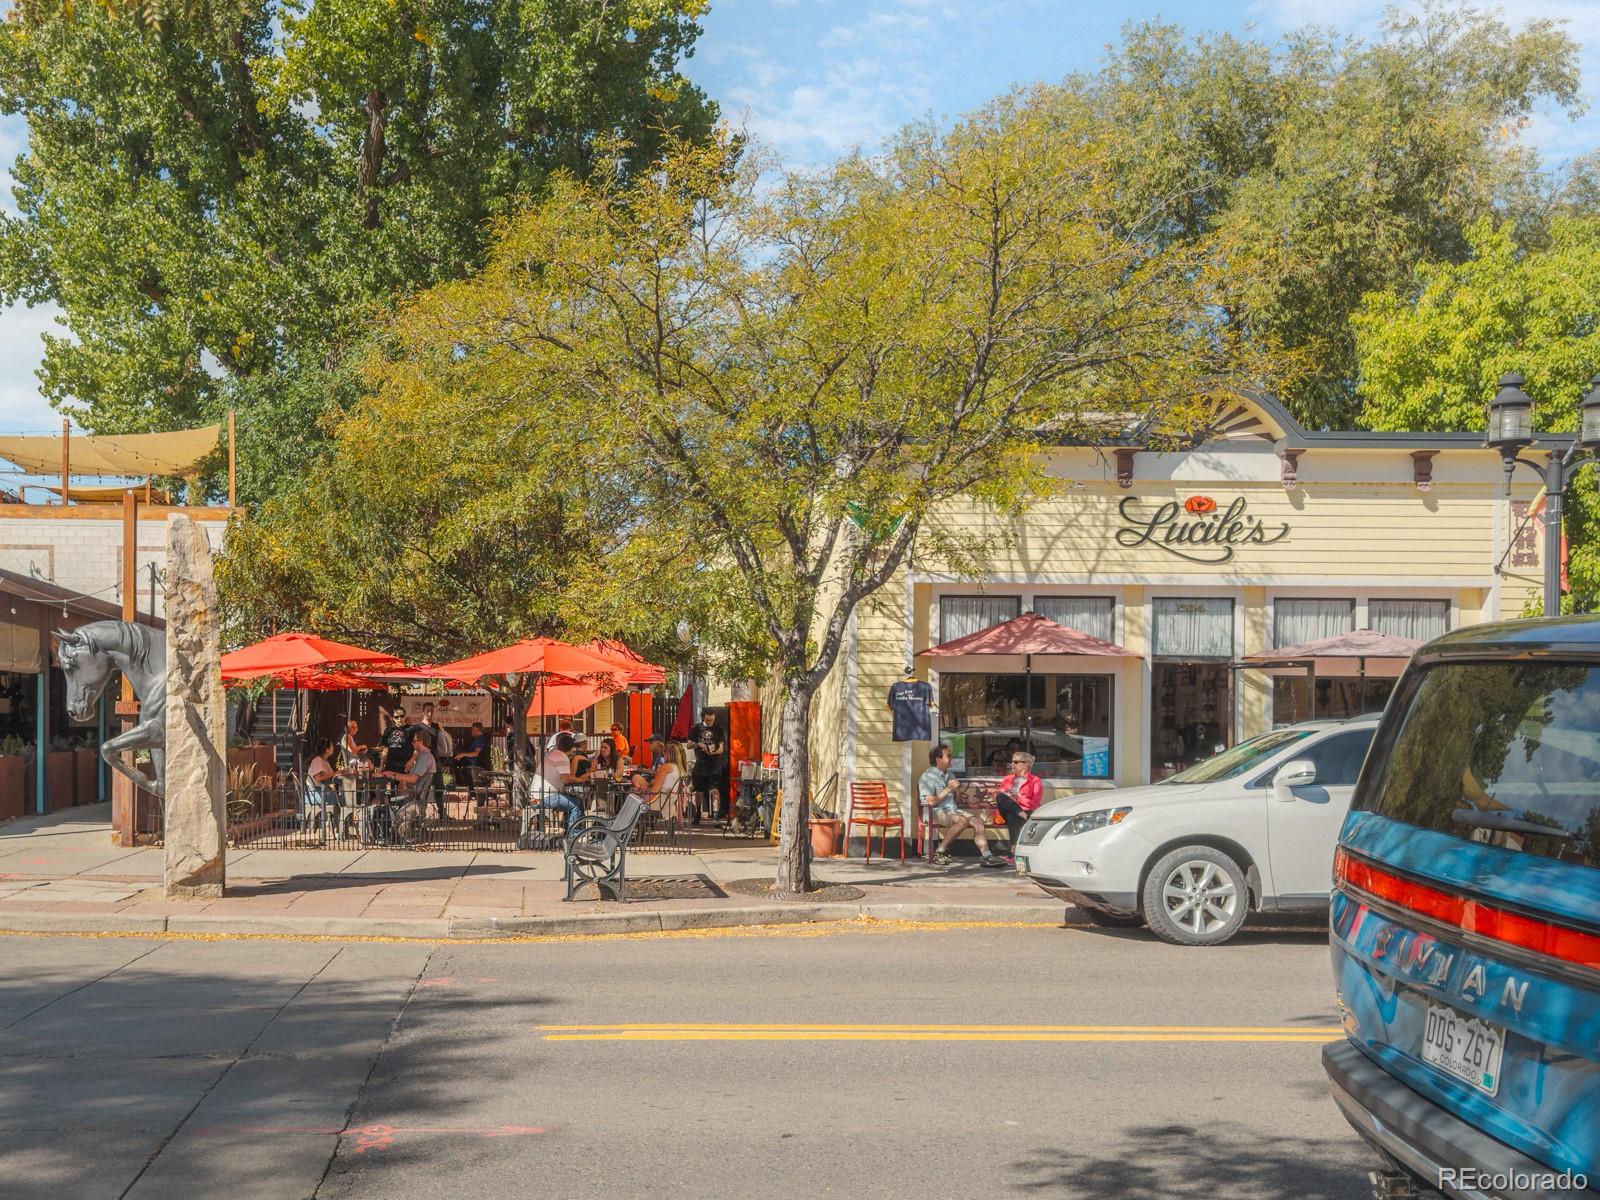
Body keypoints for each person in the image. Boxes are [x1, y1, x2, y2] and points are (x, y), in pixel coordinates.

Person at [919, 743, 1002, 867]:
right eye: (949, 756)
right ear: (938, 759)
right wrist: (948, 789)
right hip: (937, 812)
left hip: (954, 811)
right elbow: (931, 802)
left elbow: (956, 801)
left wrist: (957, 791)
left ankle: (986, 855)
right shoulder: (927, 777)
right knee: (962, 821)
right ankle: (940, 851)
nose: (951, 759)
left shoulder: (950, 775)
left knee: (978, 822)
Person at [521, 731, 584, 846]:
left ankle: (568, 832)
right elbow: (566, 779)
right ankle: (574, 835)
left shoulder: (552, 754)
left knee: (571, 801)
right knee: (576, 804)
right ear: (572, 748)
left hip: (536, 796)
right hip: (545, 797)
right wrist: (582, 779)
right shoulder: (562, 757)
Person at [994, 749, 1045, 861]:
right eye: (1012, 761)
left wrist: (1018, 798)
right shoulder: (1007, 779)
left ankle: (1012, 853)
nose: (1012, 764)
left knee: (1012, 817)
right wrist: (1010, 797)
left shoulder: (1035, 781)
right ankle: (1022, 815)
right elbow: (1001, 797)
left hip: (1025, 811)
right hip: (1013, 811)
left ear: (1026, 764)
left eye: (1016, 762)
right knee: (1000, 796)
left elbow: (1034, 804)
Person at [380, 729, 438, 817]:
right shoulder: (425, 756)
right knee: (385, 796)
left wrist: (392, 775)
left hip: (412, 796)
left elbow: (413, 779)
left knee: (379, 799)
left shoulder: (424, 757)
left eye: (414, 741)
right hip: (412, 794)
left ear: (421, 742)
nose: (412, 743)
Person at [687, 707, 727, 823]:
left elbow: (721, 748)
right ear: (703, 717)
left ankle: (715, 816)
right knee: (699, 791)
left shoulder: (718, 729)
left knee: (715, 790)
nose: (710, 722)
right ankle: (698, 812)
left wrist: (713, 752)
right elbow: (689, 745)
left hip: (715, 765)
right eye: (708, 720)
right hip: (700, 764)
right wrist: (698, 744)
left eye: (712, 720)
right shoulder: (696, 728)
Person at [417, 704, 453, 818]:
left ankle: (442, 813)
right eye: (427, 711)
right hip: (423, 761)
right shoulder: (418, 727)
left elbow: (445, 743)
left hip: (435, 761)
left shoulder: (437, 726)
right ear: (423, 712)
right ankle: (420, 814)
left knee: (439, 787)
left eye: (432, 711)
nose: (430, 713)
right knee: (424, 789)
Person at [378, 704, 416, 772]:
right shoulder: (388, 730)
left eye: (402, 716)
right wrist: (381, 766)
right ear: (393, 718)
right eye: (396, 717)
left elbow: (417, 748)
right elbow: (385, 750)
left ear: (405, 716)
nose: (399, 719)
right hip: (390, 766)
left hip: (405, 767)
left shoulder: (411, 729)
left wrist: (411, 761)